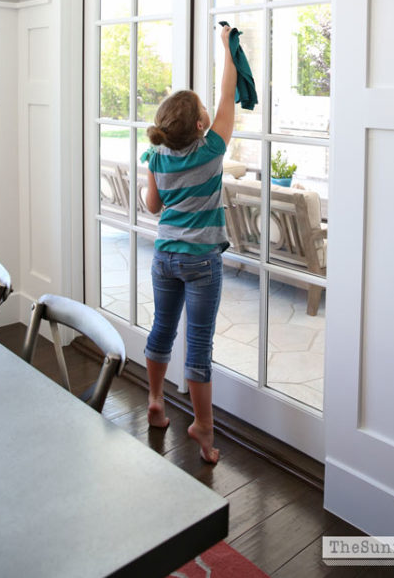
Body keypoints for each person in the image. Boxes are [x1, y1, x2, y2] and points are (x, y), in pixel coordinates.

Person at [142, 24, 236, 463]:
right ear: (200, 126)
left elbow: (153, 207)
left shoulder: (156, 156)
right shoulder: (210, 150)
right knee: (198, 343)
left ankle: (157, 400)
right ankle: (203, 425)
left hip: (165, 256)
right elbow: (226, 98)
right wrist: (227, 49)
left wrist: (154, 179)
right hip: (201, 261)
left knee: (162, 328)